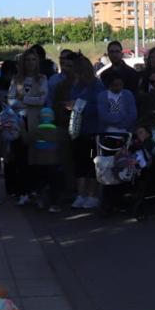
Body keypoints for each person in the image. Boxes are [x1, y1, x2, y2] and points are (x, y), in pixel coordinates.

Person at [62, 54, 104, 210]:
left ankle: (92, 194)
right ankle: (81, 194)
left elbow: (99, 107)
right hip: (78, 130)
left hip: (92, 131)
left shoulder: (97, 86)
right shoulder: (75, 86)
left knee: (91, 164)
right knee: (79, 163)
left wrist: (80, 105)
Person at [7, 49, 49, 206]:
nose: (30, 63)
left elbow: (42, 100)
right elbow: (11, 100)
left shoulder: (42, 79)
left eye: (33, 60)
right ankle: (22, 191)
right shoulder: (16, 79)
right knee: (20, 156)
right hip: (19, 120)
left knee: (35, 157)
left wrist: (24, 98)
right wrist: (26, 101)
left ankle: (35, 189)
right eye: (27, 60)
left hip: (35, 121)